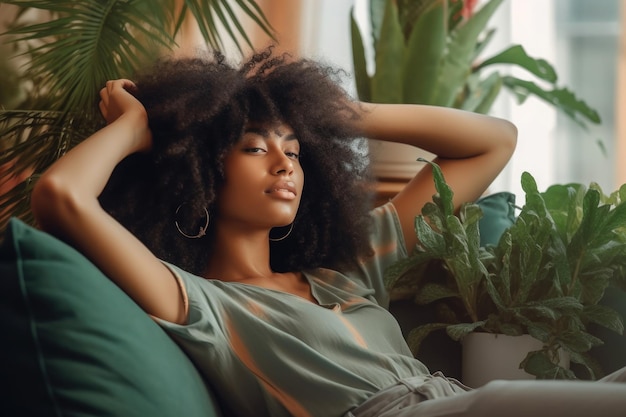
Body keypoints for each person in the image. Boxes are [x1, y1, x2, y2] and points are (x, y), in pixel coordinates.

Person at [30, 48, 626, 417]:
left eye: (294, 150)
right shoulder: (202, 305)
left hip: (460, 401)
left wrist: (340, 115)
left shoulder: (343, 271)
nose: (285, 163)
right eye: (255, 148)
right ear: (201, 176)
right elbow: (62, 197)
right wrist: (138, 129)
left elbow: (494, 141)